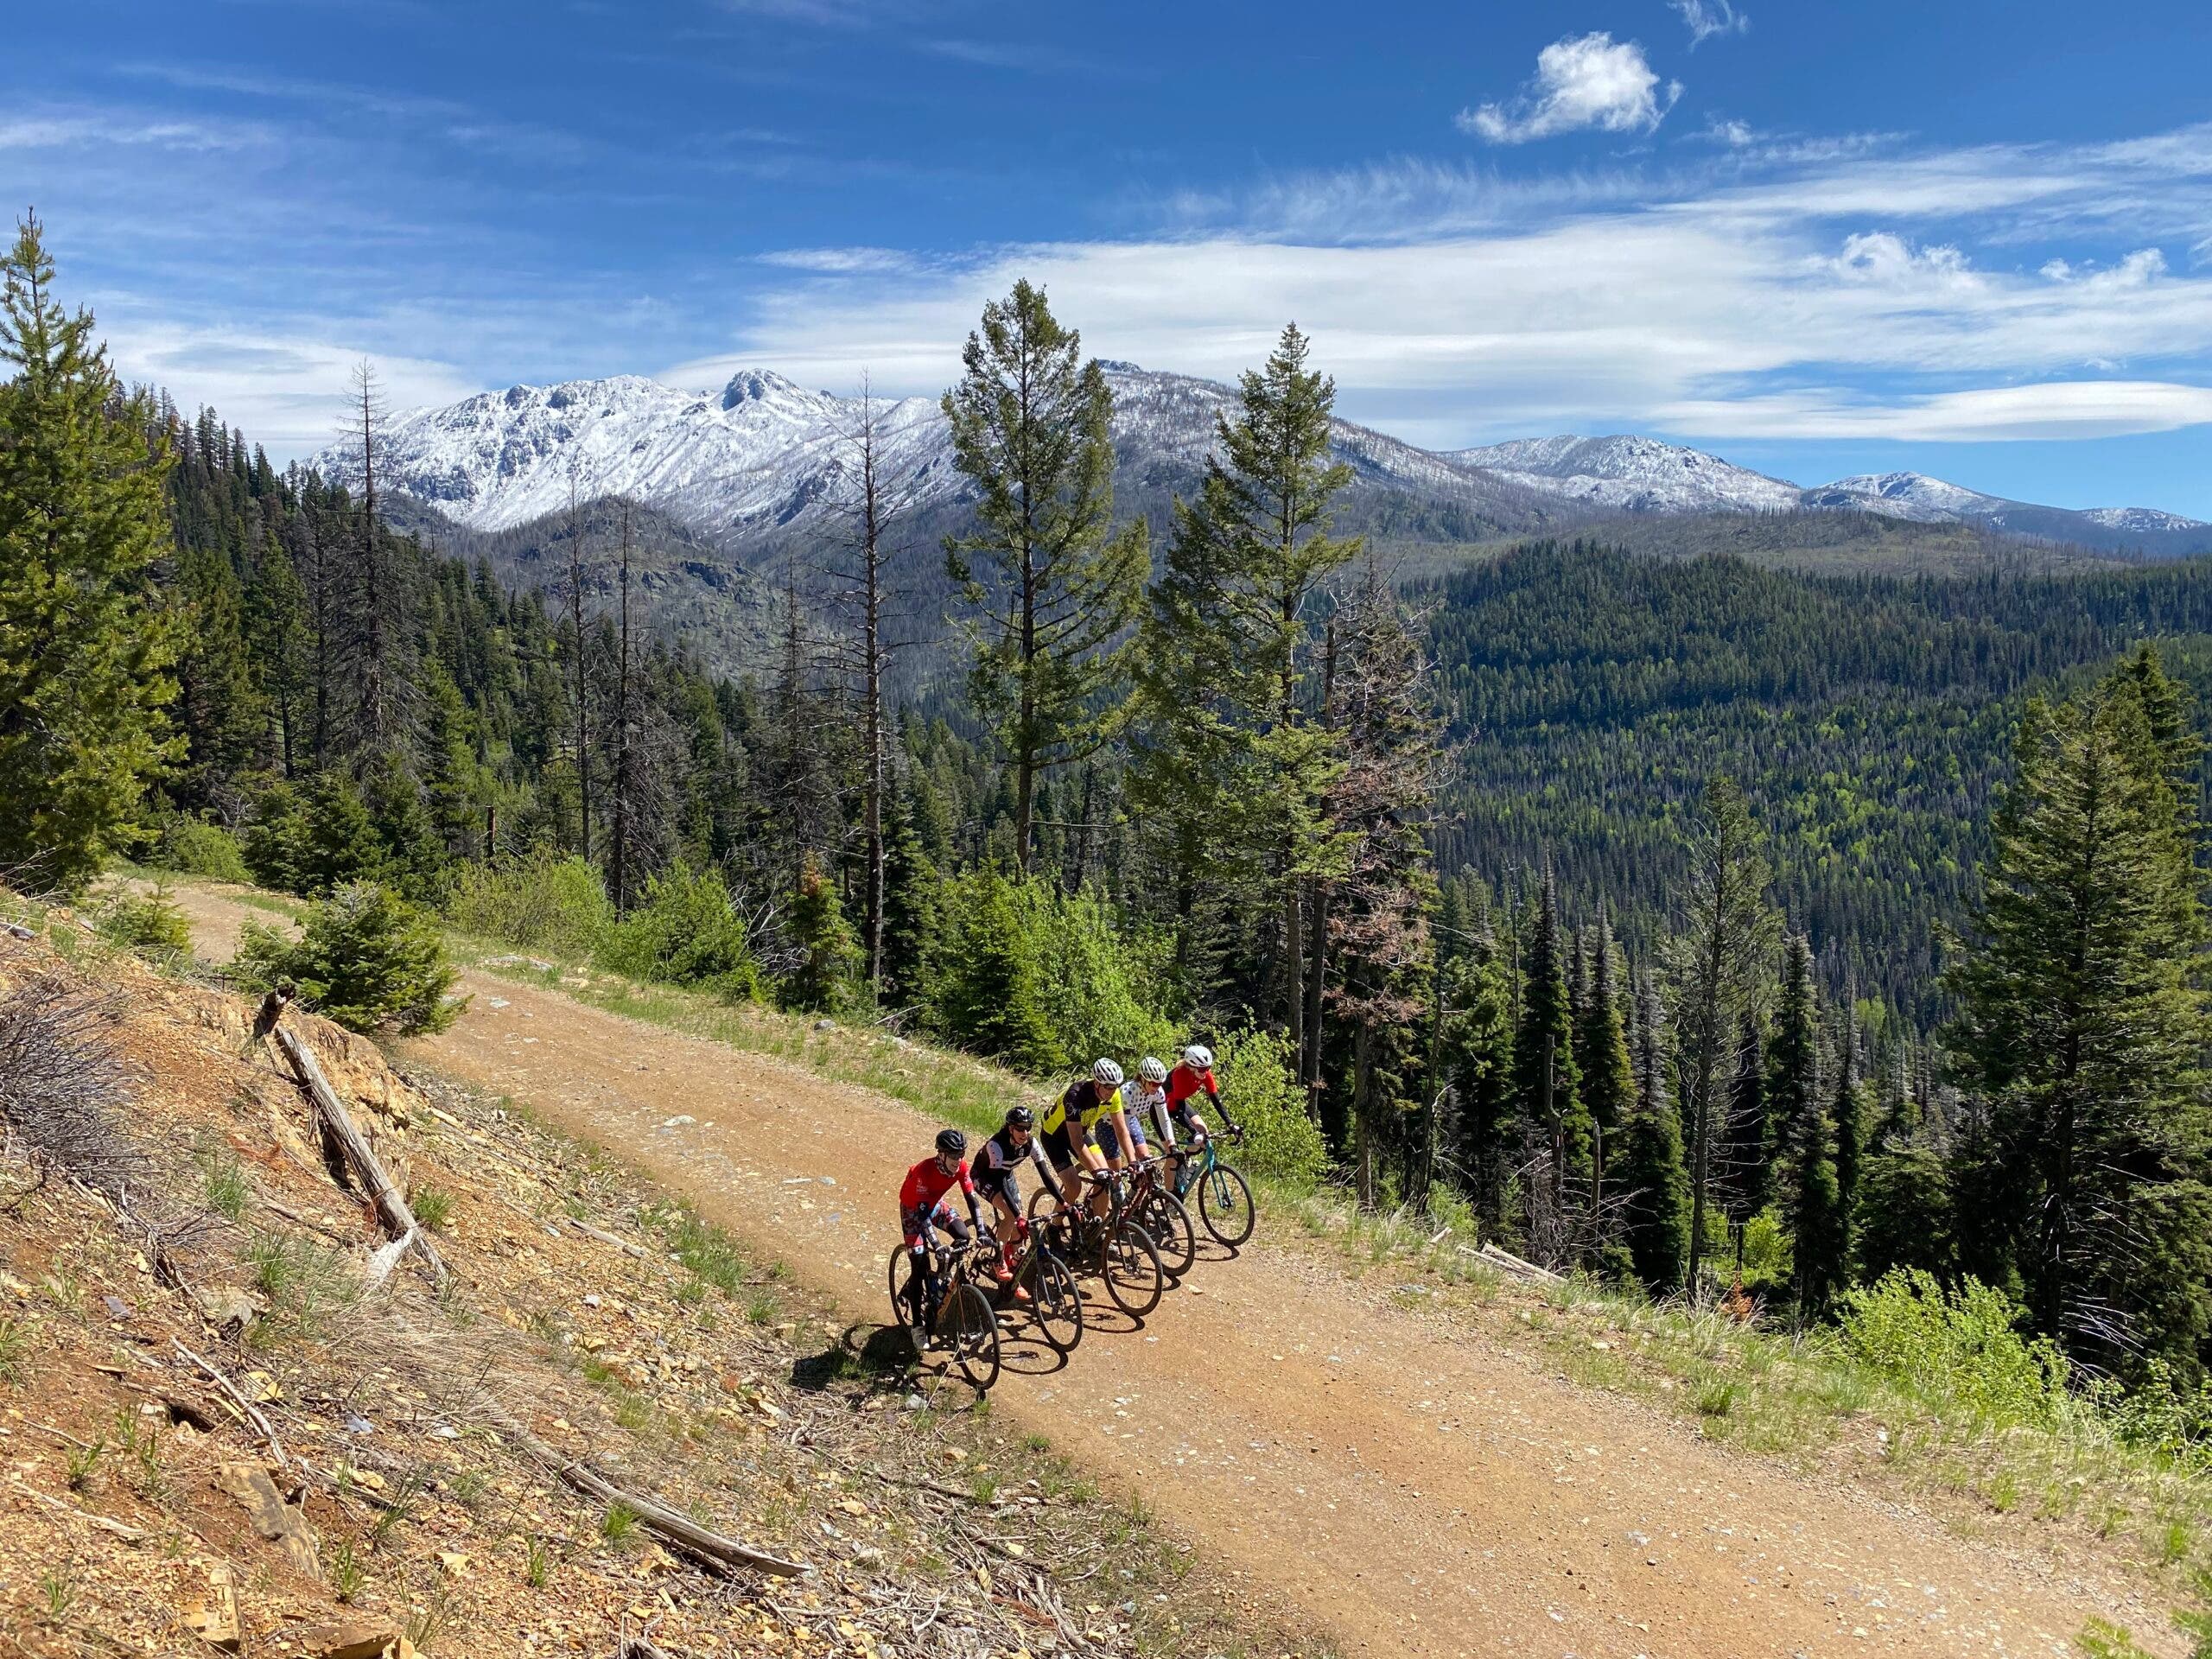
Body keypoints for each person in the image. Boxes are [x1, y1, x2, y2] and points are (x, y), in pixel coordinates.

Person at [897, 1128, 986, 1348]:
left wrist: (982, 1232)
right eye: (954, 1156)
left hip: (934, 1204)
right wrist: (936, 1245)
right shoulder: (923, 1171)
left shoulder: (961, 1167)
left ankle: (941, 1276)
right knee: (919, 1265)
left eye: (961, 1155)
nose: (959, 1160)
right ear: (941, 1155)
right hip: (914, 1210)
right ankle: (917, 1325)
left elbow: (972, 1200)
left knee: (963, 1237)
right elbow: (922, 1216)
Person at [974, 1104, 1053, 1300]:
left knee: (1020, 1233)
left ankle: (1012, 1279)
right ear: (1010, 1128)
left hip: (1005, 1174)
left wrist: (1066, 1204)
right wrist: (1017, 1216)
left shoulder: (1031, 1144)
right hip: (985, 1178)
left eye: (1027, 1128)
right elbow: (999, 1182)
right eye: (1019, 1128)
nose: (1024, 1132)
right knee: (1012, 1215)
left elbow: (1046, 1176)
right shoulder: (996, 1145)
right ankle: (998, 1260)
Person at [1039, 1058, 1135, 1217]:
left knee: (1107, 1180)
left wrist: (1133, 1161)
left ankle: (1097, 1233)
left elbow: (1122, 1130)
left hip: (1080, 1133)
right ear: (1096, 1082)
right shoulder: (1075, 1095)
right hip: (1055, 1137)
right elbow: (1075, 1142)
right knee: (1074, 1187)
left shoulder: (1114, 1095)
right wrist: (1096, 1171)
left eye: (1115, 1087)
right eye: (1108, 1087)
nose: (1111, 1091)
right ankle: (1054, 1227)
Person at [1162, 1043, 1238, 1182]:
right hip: (1166, 1107)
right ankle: (1172, 1183)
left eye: (1208, 1068)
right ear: (1190, 1066)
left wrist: (1230, 1124)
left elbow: (1216, 1100)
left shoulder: (1206, 1074)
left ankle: (1185, 1160)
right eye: (1202, 1069)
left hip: (1180, 1104)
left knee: (1204, 1132)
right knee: (1172, 1152)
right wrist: (1193, 1131)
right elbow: (1177, 1109)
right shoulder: (1179, 1074)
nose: (1205, 1072)